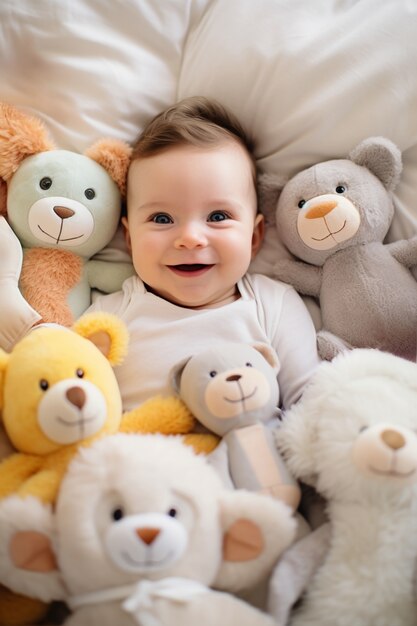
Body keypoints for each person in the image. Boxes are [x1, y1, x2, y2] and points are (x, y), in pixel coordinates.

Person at [86, 96, 320, 412]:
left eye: (218, 216)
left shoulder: (273, 306)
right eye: (162, 219)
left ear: (254, 237)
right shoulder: (109, 319)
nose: (191, 239)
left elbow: (310, 405)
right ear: (129, 238)